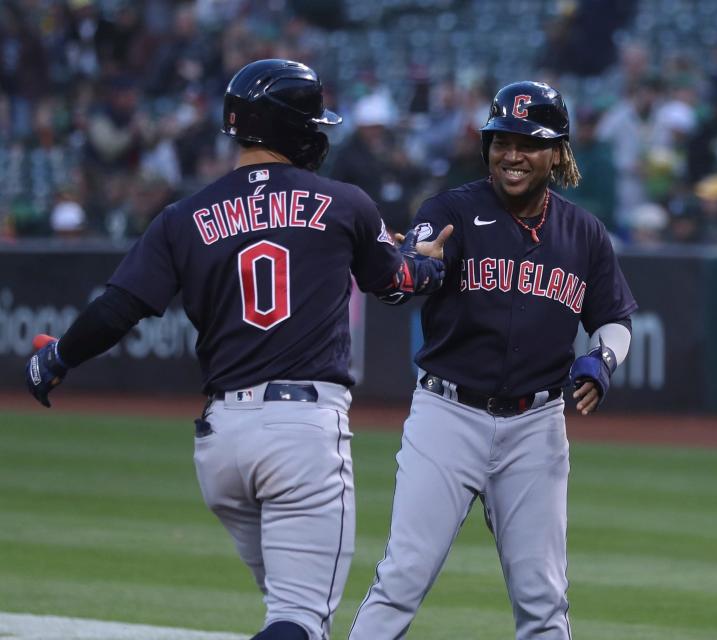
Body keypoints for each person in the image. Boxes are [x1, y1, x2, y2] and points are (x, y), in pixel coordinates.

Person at [24, 58, 449, 640]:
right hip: (301, 433)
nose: (320, 133)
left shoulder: (184, 215)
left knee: (289, 616)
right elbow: (397, 285)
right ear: (292, 129)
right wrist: (427, 265)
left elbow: (116, 309)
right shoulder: (344, 202)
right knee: (300, 620)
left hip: (221, 444)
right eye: (313, 123)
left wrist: (57, 358)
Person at [348, 81, 638, 639]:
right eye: (501, 140)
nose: (512, 155)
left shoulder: (584, 233)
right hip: (448, 415)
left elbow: (615, 320)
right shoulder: (451, 210)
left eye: (529, 143)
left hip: (536, 425)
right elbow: (406, 273)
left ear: (558, 152)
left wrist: (602, 358)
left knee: (543, 597)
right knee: (403, 576)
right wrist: (413, 268)